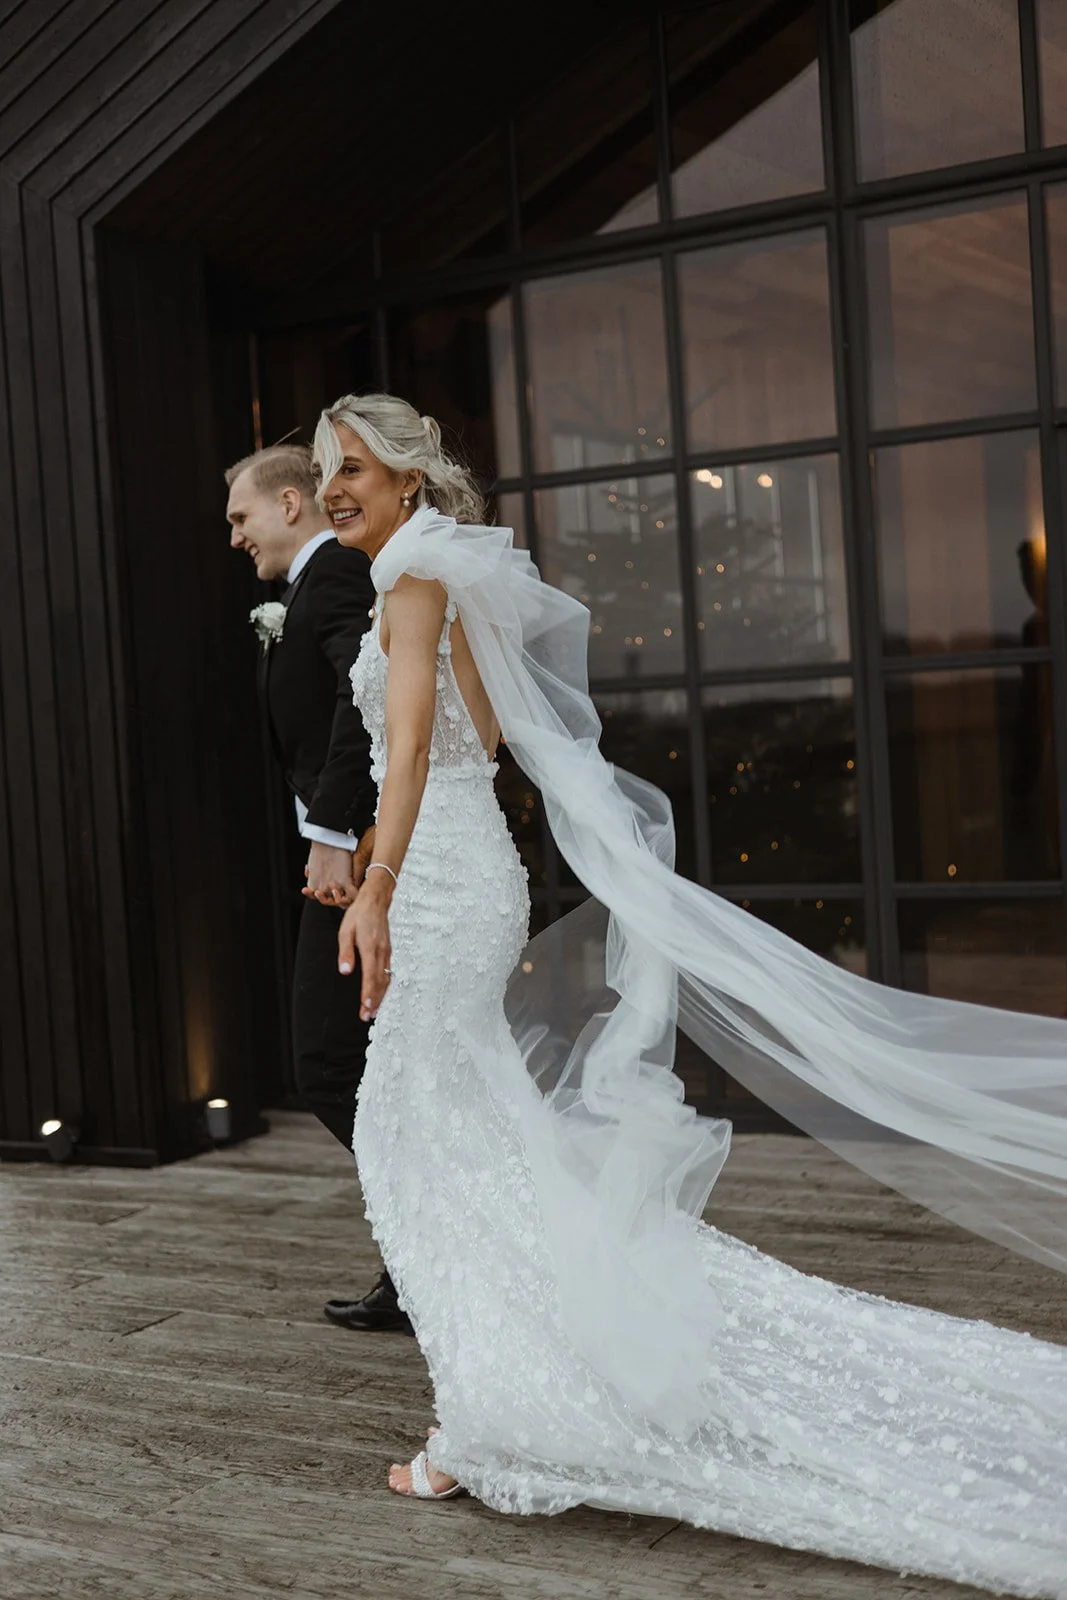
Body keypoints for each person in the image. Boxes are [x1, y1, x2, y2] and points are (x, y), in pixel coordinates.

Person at [313, 393, 1067, 1598]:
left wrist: (378, 880)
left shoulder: (411, 590)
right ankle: (492, 1400)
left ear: (408, 478)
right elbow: (486, 745)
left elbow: (408, 751)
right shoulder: (441, 581)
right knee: (456, 1141)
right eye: (323, 468)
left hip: (440, 889)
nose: (335, 483)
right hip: (469, 875)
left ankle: (481, 1423)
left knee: (420, 1142)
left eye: (353, 465)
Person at [225, 443, 411, 1334]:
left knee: (331, 1064)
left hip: (363, 857)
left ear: (290, 502)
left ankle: (430, 1251)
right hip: (357, 851)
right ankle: (418, 1260)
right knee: (369, 1066)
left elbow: (361, 705)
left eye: (240, 517)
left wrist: (335, 835)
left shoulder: (332, 576)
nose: (233, 537)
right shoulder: (310, 587)